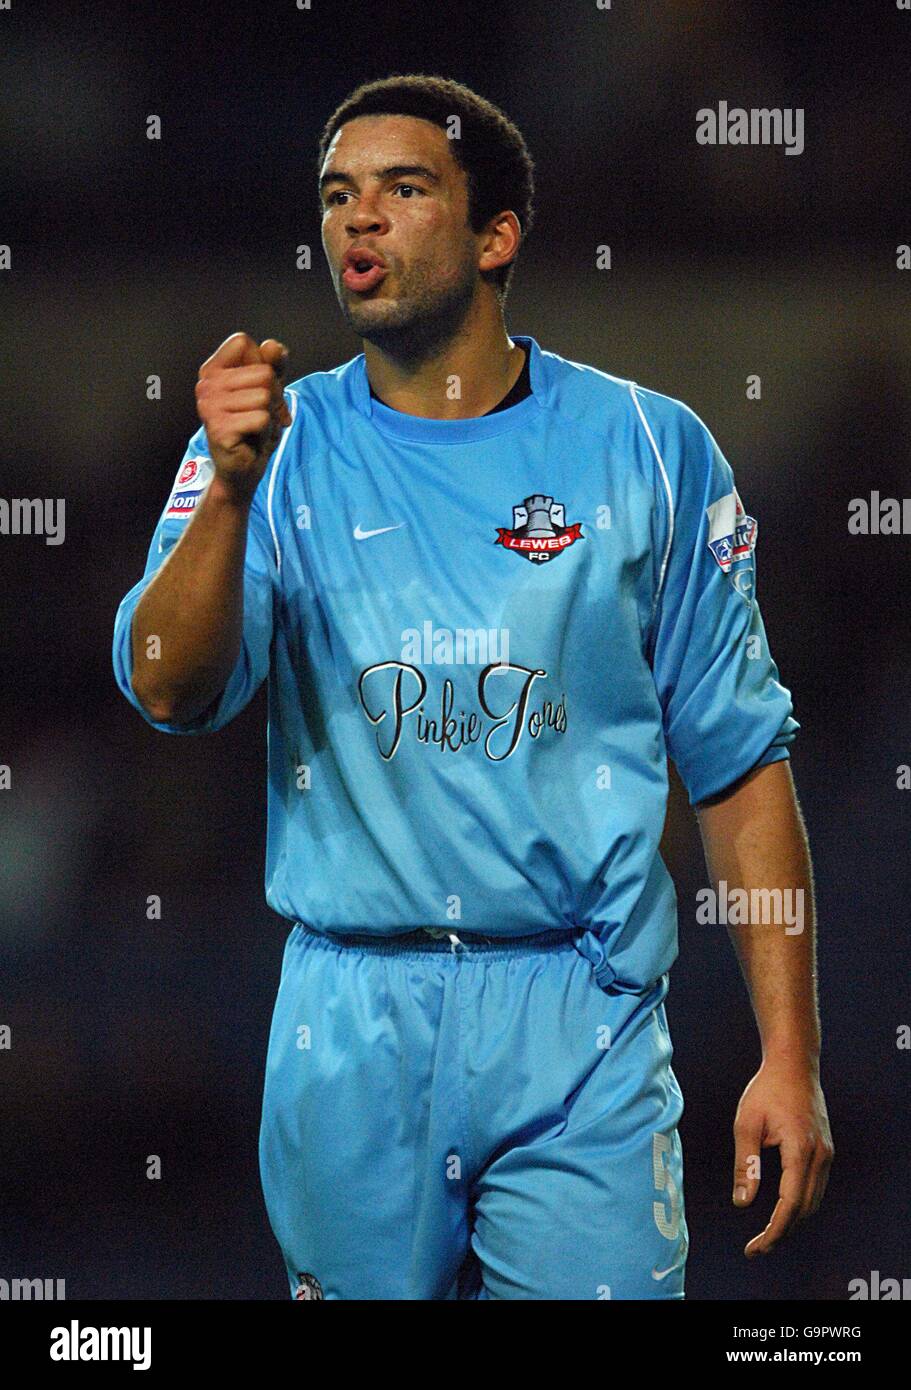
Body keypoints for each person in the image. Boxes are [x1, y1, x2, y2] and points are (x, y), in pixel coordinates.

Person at [112, 74, 832, 1300]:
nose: (358, 221)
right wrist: (230, 488)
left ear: (496, 235)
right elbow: (168, 689)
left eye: (402, 189)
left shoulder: (650, 449)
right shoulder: (267, 453)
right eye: (338, 196)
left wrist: (787, 1054)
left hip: (578, 1014)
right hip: (349, 1015)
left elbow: (737, 767)